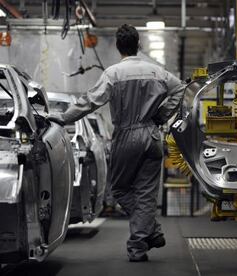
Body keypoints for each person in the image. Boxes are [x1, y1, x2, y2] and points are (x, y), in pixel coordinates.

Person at [49, 24, 185, 262]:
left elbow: (89, 102)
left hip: (127, 135)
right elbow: (180, 88)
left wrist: (62, 117)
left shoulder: (113, 74)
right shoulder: (157, 72)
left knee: (118, 189)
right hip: (152, 136)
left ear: (119, 47)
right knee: (146, 194)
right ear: (138, 45)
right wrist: (162, 116)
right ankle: (146, 234)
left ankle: (143, 239)